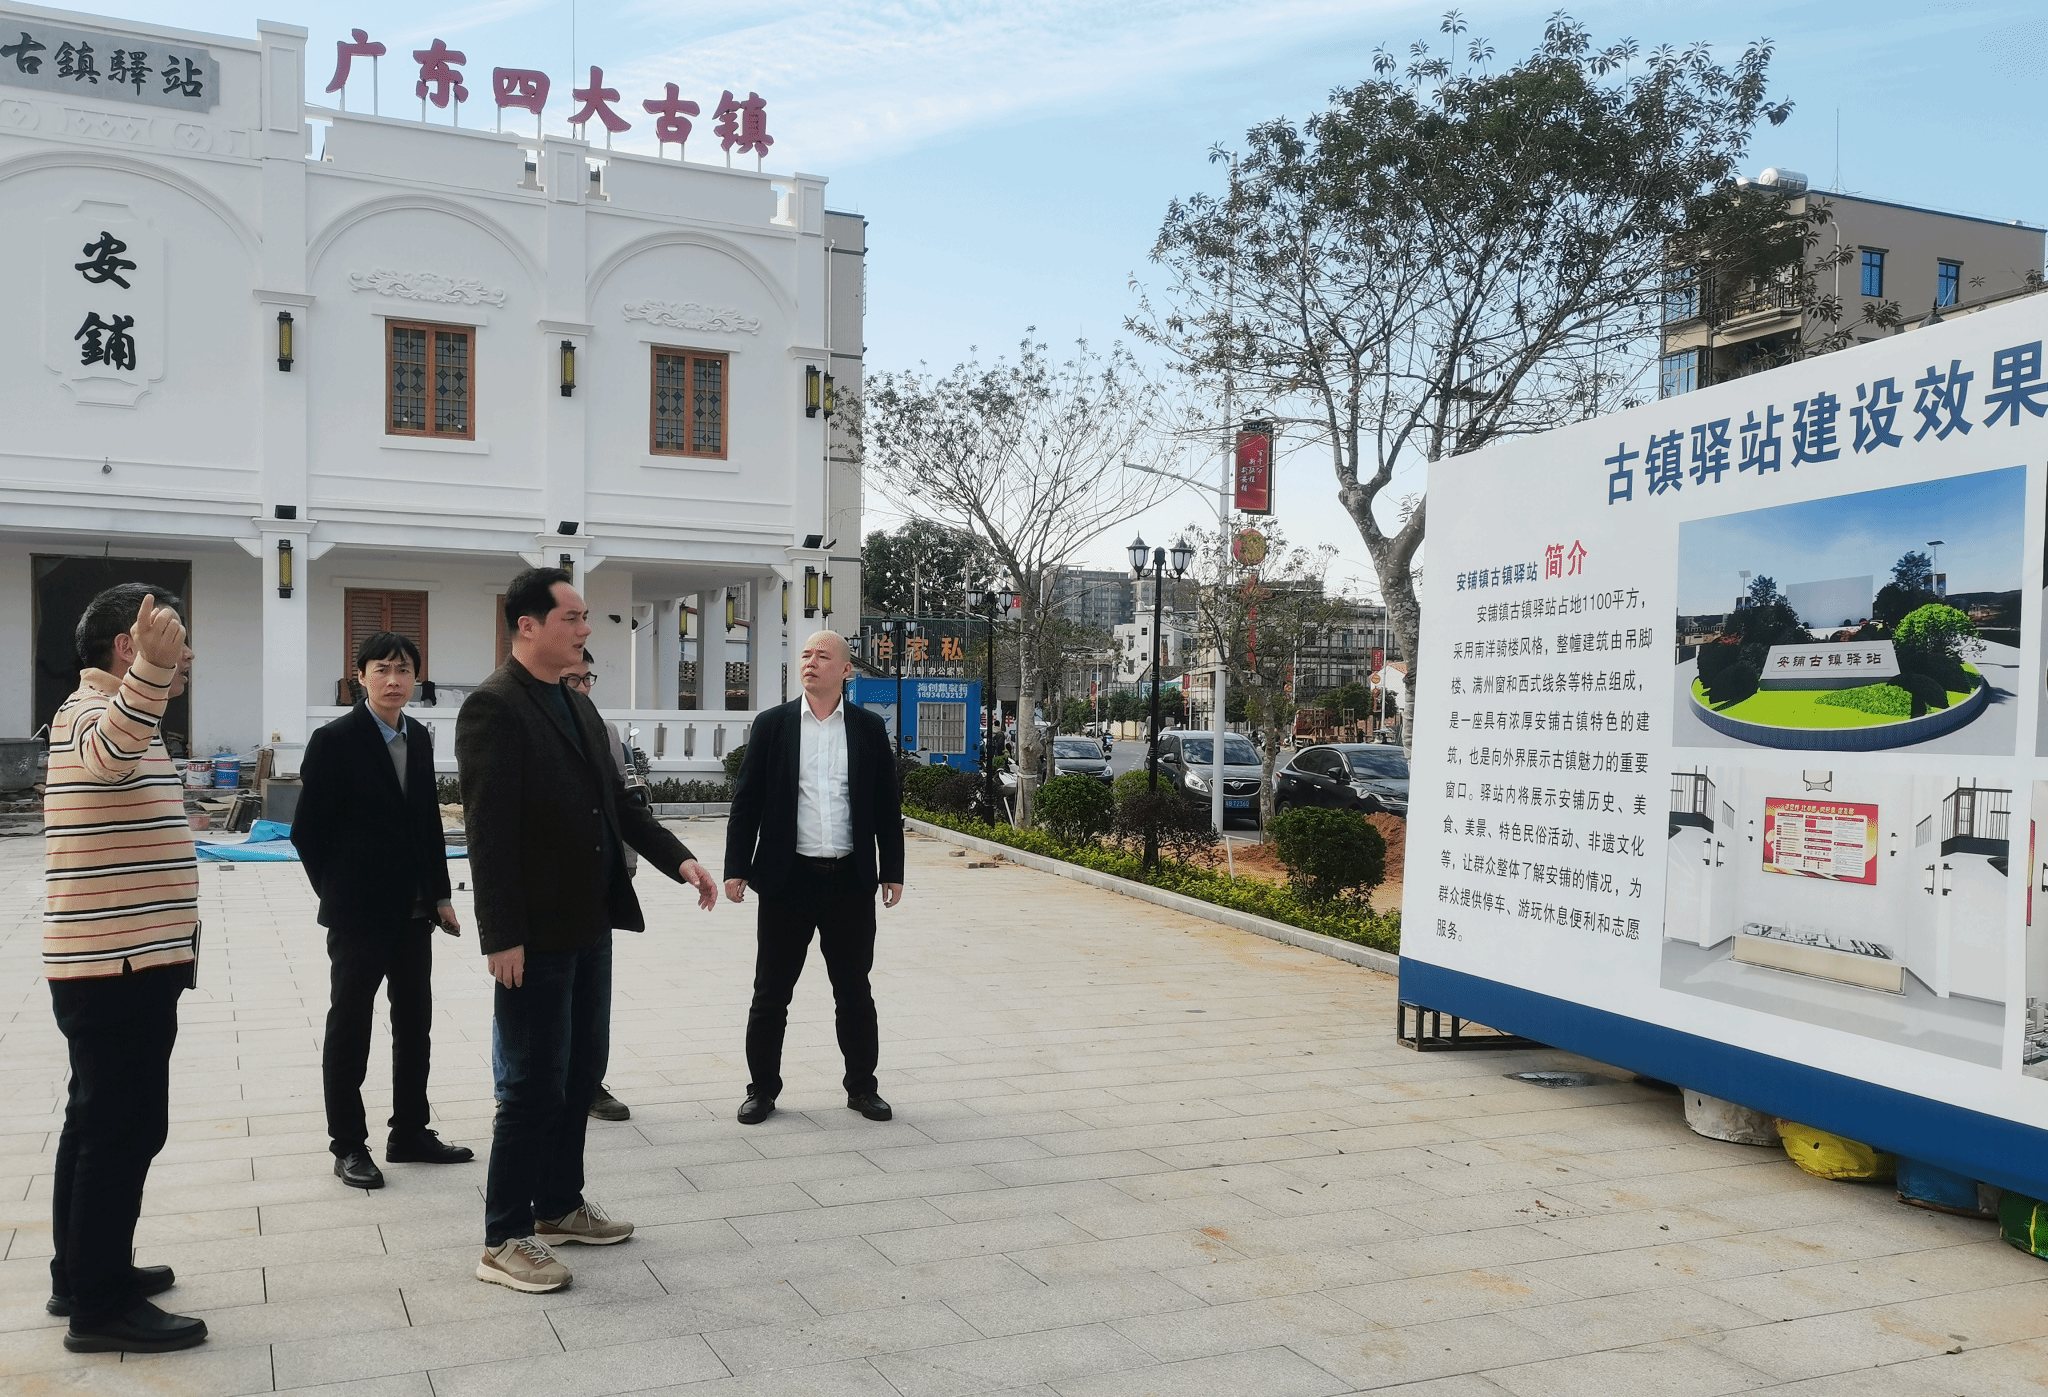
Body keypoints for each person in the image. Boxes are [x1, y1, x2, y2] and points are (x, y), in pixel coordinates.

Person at [457, 568, 717, 1294]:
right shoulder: (494, 706)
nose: (585, 628)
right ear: (528, 626)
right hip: (533, 934)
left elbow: (620, 807)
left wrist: (681, 860)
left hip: (588, 923)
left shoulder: (574, 703)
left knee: (578, 1073)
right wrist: (500, 935)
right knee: (530, 1084)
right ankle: (503, 1236)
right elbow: (488, 834)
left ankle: (559, 1205)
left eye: (585, 617)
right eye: (571, 617)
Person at [42, 585, 205, 1352]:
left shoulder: (120, 715)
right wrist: (153, 670)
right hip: (116, 966)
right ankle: (100, 1306)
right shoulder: (91, 713)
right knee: (121, 1128)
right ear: (127, 646)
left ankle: (81, 1272)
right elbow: (107, 756)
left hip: (127, 960)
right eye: (177, 640)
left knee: (96, 1123)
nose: (187, 657)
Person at [292, 631, 473, 1190]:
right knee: (351, 1026)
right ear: (361, 677)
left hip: (414, 914)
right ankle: (348, 1144)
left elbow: (427, 824)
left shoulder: (418, 737)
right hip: (357, 915)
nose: (393, 681)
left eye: (403, 670)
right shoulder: (334, 739)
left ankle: (409, 1132)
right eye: (382, 669)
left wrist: (439, 896)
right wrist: (337, 894)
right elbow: (307, 832)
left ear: (416, 678)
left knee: (414, 1024)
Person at [723, 631, 905, 1126]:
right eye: (805, 655)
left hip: (849, 880)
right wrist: (737, 868)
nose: (811, 662)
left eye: (823, 656)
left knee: (854, 991)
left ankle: (862, 1088)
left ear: (845, 670)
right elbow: (746, 802)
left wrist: (892, 870)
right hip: (787, 881)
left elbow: (886, 806)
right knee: (770, 993)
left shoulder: (867, 728)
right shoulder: (773, 725)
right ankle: (761, 1090)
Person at [562, 651, 630, 1124]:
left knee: (593, 998)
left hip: (597, 890)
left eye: (588, 679)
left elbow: (622, 805)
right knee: (526, 1005)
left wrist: (628, 865)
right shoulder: (518, 723)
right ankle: (513, 1092)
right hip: (542, 897)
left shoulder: (605, 732)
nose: (583, 688)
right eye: (573, 679)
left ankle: (589, 1084)